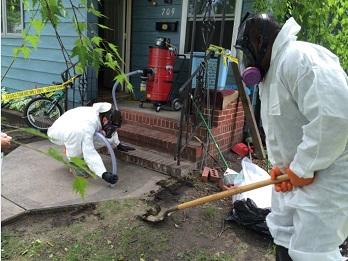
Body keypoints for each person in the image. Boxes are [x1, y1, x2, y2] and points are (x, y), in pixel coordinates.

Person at [235, 14, 348, 260]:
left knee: (313, 252)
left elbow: (335, 118)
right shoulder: (272, 74)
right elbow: (285, 131)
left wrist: (302, 168)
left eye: (248, 52)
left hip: (327, 180)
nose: (247, 61)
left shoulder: (300, 58)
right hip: (294, 178)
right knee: (283, 238)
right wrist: (283, 169)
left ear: (261, 42)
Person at [47, 102, 134, 185]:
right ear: (104, 119)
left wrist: (118, 144)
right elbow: (89, 152)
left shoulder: (101, 114)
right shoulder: (87, 126)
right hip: (58, 133)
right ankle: (75, 163)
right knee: (80, 141)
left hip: (70, 128)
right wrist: (103, 174)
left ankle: (70, 148)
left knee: (106, 139)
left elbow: (111, 131)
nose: (111, 129)